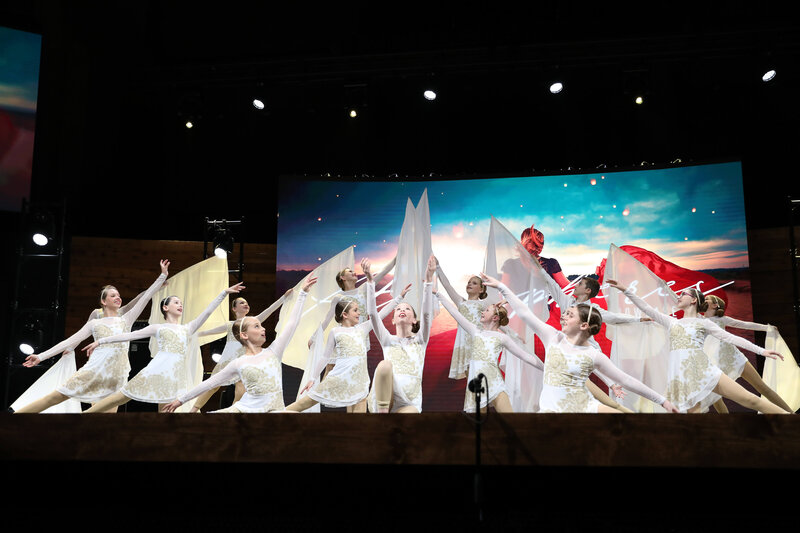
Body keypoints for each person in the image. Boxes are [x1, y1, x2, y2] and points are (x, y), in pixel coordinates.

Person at [482, 274, 679, 413]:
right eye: (566, 313)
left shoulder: (593, 354)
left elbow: (627, 380)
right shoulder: (553, 336)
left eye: (570, 314)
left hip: (584, 406)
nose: (563, 316)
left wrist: (663, 401)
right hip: (553, 410)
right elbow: (524, 312)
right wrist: (501, 287)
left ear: (584, 325)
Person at [605, 280, 791, 414]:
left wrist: (762, 351)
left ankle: (790, 421)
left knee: (751, 400)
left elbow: (731, 337)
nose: (679, 296)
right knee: (694, 417)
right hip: (681, 377)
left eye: (684, 294)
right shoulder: (671, 322)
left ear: (694, 300)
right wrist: (625, 290)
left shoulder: (704, 323)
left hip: (704, 370)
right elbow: (646, 308)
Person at [13, 260, 169, 413]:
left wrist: (162, 276)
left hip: (117, 376)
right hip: (94, 370)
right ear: (103, 301)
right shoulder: (94, 323)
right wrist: (40, 356)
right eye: (113, 295)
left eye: (119, 295)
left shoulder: (126, 320)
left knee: (105, 421)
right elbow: (69, 341)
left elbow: (145, 297)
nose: (118, 297)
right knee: (52, 398)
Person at [81, 282, 245, 413]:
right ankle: (83, 416)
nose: (179, 305)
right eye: (175, 302)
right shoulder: (158, 327)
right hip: (155, 370)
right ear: (165, 308)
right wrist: (100, 342)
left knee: (167, 412)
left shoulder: (188, 328)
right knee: (122, 397)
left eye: (181, 303)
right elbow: (127, 336)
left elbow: (207, 312)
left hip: (174, 376)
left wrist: (223, 293)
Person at [163, 278, 317, 413]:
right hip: (232, 366)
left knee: (242, 389)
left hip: (268, 408)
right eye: (257, 326)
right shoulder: (235, 341)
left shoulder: (272, 349)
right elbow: (209, 382)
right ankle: (195, 410)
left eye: (260, 326)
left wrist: (297, 295)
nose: (263, 328)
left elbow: (289, 321)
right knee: (215, 387)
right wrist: (180, 400)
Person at [285, 269, 409, 413]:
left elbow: (379, 314)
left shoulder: (362, 328)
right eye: (355, 310)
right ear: (345, 314)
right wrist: (313, 378)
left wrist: (399, 298)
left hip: (359, 382)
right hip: (338, 377)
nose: (359, 313)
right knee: (300, 406)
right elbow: (325, 357)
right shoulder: (335, 332)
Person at [434, 285, 544, 413]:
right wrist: (438, 294)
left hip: (495, 383)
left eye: (486, 310)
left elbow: (525, 356)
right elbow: (455, 313)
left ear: (495, 318)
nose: (482, 312)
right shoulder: (475, 331)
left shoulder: (502, 338)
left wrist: (546, 368)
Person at [191, 291, 293, 412]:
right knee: (211, 386)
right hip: (227, 360)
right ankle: (192, 411)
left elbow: (270, 310)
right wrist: (192, 333)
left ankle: (233, 416)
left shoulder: (253, 321)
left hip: (244, 361)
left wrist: (283, 298)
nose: (246, 304)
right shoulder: (230, 325)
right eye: (242, 302)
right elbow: (210, 332)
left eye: (246, 302)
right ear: (234, 308)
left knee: (240, 390)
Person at [365, 255, 435, 413]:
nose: (402, 310)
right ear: (393, 320)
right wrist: (370, 282)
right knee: (384, 365)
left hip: (409, 403)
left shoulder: (420, 340)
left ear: (415, 320)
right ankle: (381, 418)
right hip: (386, 399)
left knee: (411, 415)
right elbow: (372, 313)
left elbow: (426, 315)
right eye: (398, 309)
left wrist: (429, 281)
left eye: (407, 308)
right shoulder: (387, 340)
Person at [702, 295, 793, 413]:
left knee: (762, 387)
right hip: (714, 363)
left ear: (715, 305)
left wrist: (766, 328)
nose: (703, 300)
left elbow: (745, 325)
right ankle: (729, 428)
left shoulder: (722, 319)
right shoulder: (699, 321)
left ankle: (791, 414)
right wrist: (668, 289)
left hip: (734, 358)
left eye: (706, 299)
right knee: (715, 398)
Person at [434, 259, 490, 380]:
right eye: (469, 282)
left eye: (474, 283)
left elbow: (496, 319)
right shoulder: (461, 302)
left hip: (478, 342)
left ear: (481, 289)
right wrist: (438, 267)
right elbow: (447, 285)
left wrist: (513, 335)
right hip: (464, 343)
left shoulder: (483, 305)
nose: (469, 284)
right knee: (471, 377)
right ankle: (473, 398)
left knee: (481, 375)